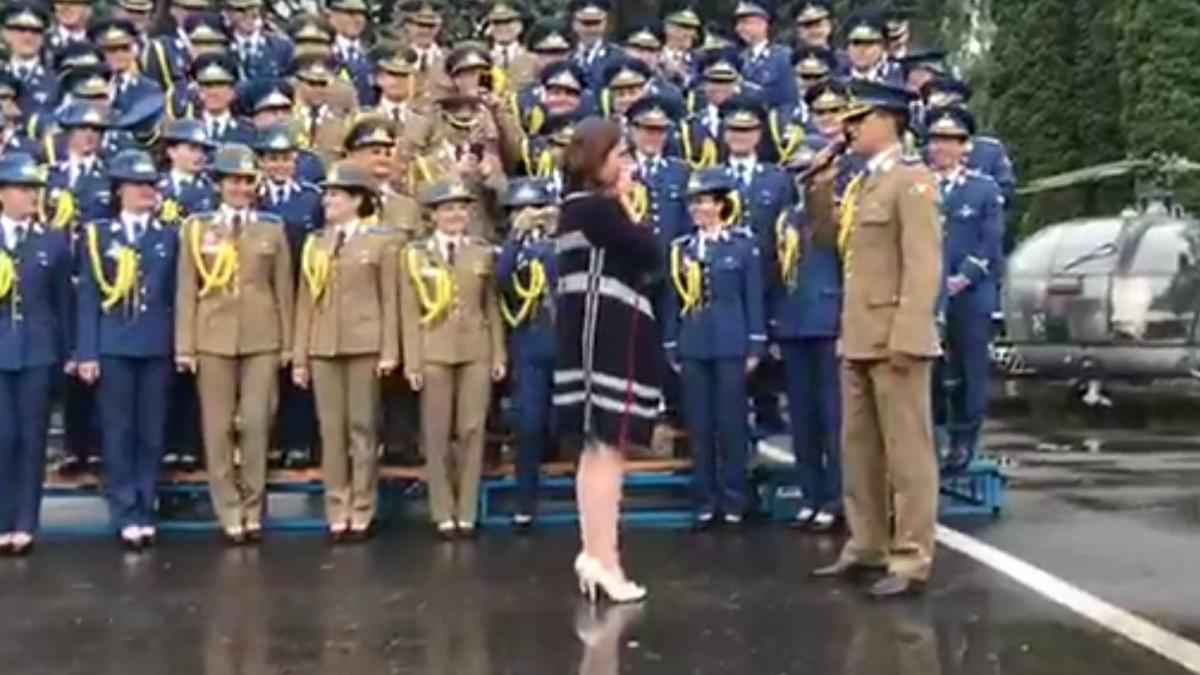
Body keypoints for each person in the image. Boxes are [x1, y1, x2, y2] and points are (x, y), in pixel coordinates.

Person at [807, 81, 942, 599]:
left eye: (860, 118)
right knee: (859, 449)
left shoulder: (912, 182)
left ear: (889, 120)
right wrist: (818, 184)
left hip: (895, 338)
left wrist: (909, 334)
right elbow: (827, 242)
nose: (850, 127)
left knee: (908, 455)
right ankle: (867, 545)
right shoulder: (863, 183)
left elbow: (923, 264)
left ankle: (911, 558)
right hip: (859, 336)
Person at [555, 118, 660, 602]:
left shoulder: (580, 209)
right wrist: (627, 203)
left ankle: (595, 553)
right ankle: (604, 557)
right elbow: (648, 249)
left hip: (597, 336)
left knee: (597, 450)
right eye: (620, 155)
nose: (627, 165)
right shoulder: (595, 209)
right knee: (606, 450)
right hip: (605, 339)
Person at [174, 143, 294, 545]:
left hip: (262, 336)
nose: (241, 188)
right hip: (213, 337)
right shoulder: (198, 227)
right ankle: (227, 507)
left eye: (247, 181)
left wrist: (288, 344)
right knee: (219, 427)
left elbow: (284, 290)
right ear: (219, 185)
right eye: (233, 181)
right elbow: (187, 289)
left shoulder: (270, 227)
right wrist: (185, 345)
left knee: (257, 423)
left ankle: (253, 506)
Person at [75, 149, 177, 551]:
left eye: (151, 185)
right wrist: (87, 351)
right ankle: (124, 510)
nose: (146, 192)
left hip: (155, 345)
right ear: (119, 191)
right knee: (118, 431)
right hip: (114, 344)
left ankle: (145, 506)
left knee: (151, 432)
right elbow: (87, 297)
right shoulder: (100, 235)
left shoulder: (168, 235)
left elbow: (175, 296)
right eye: (138, 186)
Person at [293, 161, 399, 541]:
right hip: (324, 345)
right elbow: (305, 301)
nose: (328, 201)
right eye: (328, 194)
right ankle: (337, 506)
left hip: (364, 343)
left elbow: (390, 298)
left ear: (358, 200)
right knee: (331, 431)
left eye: (336, 195)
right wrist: (300, 354)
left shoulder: (380, 242)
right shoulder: (316, 243)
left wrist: (389, 349)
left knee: (363, 428)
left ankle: (362, 506)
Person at [400, 180, 506, 539]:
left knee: (472, 429)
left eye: (462, 208)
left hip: (475, 347)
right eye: (448, 208)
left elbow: (491, 305)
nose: (456, 214)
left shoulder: (481, 252)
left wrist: (498, 352)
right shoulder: (416, 254)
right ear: (432, 214)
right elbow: (409, 311)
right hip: (433, 349)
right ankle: (442, 510)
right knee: (436, 431)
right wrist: (412, 361)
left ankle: (467, 509)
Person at [663, 167, 765, 529]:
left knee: (732, 424)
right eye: (694, 202)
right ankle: (705, 500)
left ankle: (735, 498)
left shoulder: (741, 245)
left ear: (721, 205)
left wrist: (755, 342)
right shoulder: (682, 249)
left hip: (730, 342)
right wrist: (672, 343)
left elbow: (753, 297)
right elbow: (672, 301)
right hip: (693, 343)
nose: (697, 209)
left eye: (704, 202)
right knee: (700, 425)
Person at [0, 153, 73, 556]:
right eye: (23, 189)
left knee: (31, 439)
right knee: (2, 437)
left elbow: (63, 302)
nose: (32, 197)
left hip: (38, 352)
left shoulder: (50, 240)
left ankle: (26, 521)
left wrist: (65, 353)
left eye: (34, 190)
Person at [924, 106, 1003, 472]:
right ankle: (935, 437)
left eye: (949, 140)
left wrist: (962, 278)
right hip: (925, 293)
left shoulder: (982, 188)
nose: (940, 147)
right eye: (935, 139)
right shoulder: (919, 184)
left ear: (965, 146)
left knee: (970, 370)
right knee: (933, 372)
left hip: (969, 294)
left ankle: (964, 440)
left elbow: (990, 241)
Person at [496, 177, 558, 528]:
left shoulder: (560, 242)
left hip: (563, 339)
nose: (527, 215)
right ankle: (525, 501)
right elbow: (502, 279)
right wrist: (516, 238)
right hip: (529, 339)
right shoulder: (509, 248)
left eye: (533, 208)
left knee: (573, 424)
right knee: (529, 424)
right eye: (519, 210)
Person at [734, 1, 797, 110]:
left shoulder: (782, 57)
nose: (738, 29)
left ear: (762, 24)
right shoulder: (739, 58)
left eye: (745, 23)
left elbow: (787, 96)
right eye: (738, 24)